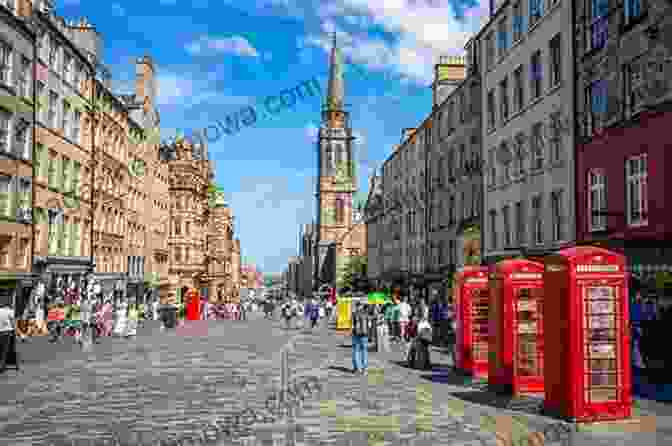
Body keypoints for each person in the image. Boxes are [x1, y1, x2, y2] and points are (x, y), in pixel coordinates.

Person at [351, 301, 370, 374]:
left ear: (356, 306)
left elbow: (352, 326)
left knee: (356, 351)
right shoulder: (365, 313)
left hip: (356, 334)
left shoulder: (354, 314)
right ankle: (364, 369)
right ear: (361, 306)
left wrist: (352, 333)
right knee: (364, 351)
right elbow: (369, 325)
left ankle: (356, 368)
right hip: (364, 334)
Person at [0, 300, 18, 373]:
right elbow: (13, 323)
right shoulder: (10, 311)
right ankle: (2, 366)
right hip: (7, 332)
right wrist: (16, 332)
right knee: (5, 350)